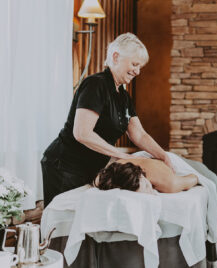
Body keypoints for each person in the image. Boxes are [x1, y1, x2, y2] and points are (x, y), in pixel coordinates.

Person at [41, 33, 173, 207]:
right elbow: (82, 133)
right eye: (134, 64)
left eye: (140, 66)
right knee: (62, 222)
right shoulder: (95, 85)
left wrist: (163, 156)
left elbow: (139, 135)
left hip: (89, 167)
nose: (137, 71)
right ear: (116, 56)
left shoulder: (123, 97)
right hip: (64, 165)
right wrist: (119, 155)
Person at [93, 158, 198, 194]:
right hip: (142, 158)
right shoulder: (108, 176)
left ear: (142, 176)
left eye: (147, 186)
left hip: (177, 162)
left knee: (212, 178)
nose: (151, 193)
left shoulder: (169, 183)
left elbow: (195, 177)